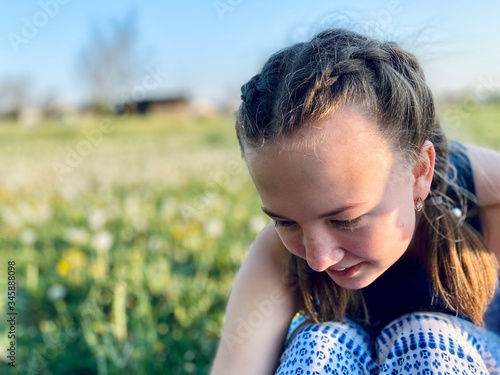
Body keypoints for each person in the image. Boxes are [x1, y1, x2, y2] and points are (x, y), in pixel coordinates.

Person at [210, 28, 500, 374]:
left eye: (345, 220)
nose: (318, 259)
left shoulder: (488, 201)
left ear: (420, 172)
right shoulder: (277, 253)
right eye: (285, 221)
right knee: (318, 346)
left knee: (426, 342)